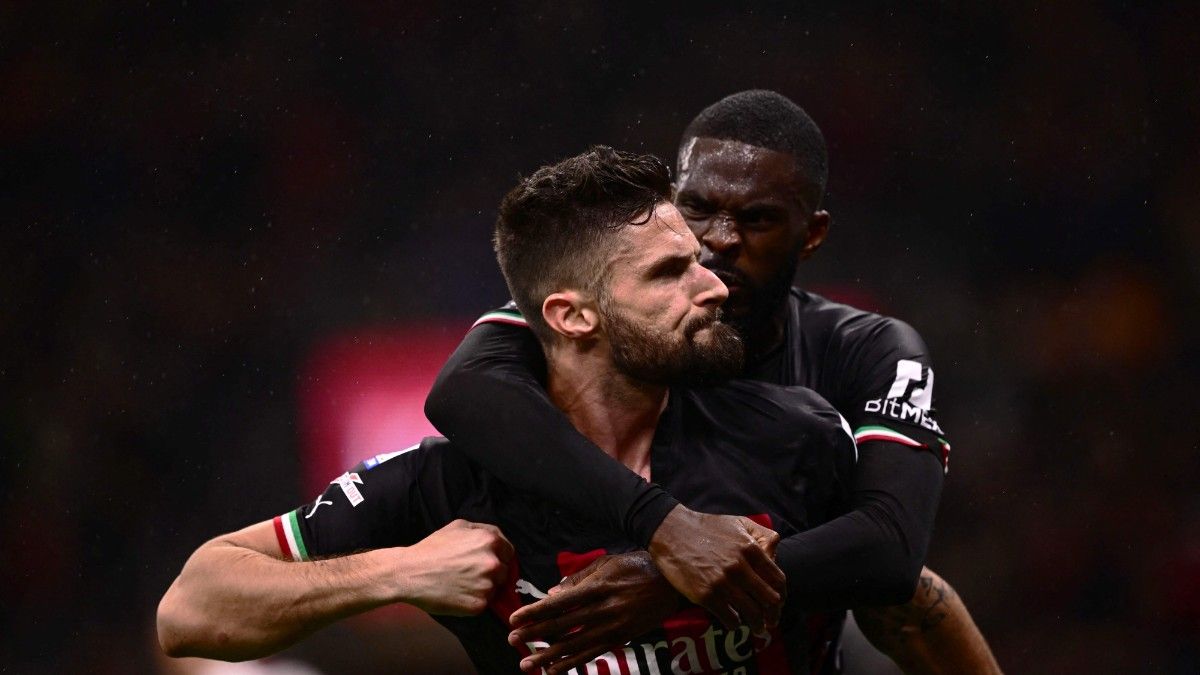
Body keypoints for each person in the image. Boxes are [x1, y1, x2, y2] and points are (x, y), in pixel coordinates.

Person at [157, 147, 860, 673]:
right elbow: (190, 607)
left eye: (697, 260)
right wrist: (401, 572)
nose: (714, 285)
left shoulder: (793, 434)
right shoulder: (451, 487)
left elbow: (914, 598)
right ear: (572, 315)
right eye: (669, 272)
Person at [426, 91, 1001, 674]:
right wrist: (667, 528)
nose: (719, 239)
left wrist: (678, 580)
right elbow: (461, 390)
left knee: (904, 607)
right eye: (697, 208)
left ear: (812, 233)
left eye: (757, 219)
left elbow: (892, 550)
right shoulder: (606, 308)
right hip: (594, 611)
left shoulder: (864, 350)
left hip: (791, 627)